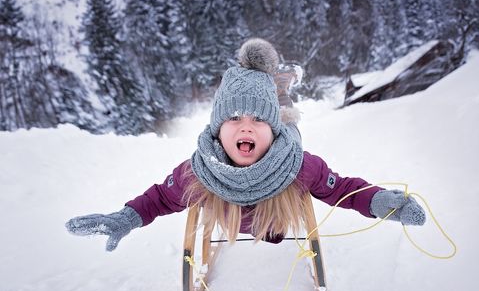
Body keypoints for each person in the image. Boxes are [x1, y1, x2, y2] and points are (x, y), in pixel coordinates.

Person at [66, 38, 426, 252]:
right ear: (218, 129)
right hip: (248, 170)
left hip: (278, 186)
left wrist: (382, 203)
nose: (246, 129)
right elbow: (160, 198)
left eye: (257, 122)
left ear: (271, 130)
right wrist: (125, 218)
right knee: (269, 106)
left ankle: (279, 95)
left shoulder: (298, 166)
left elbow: (343, 190)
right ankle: (275, 90)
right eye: (234, 119)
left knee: (282, 112)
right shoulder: (200, 170)